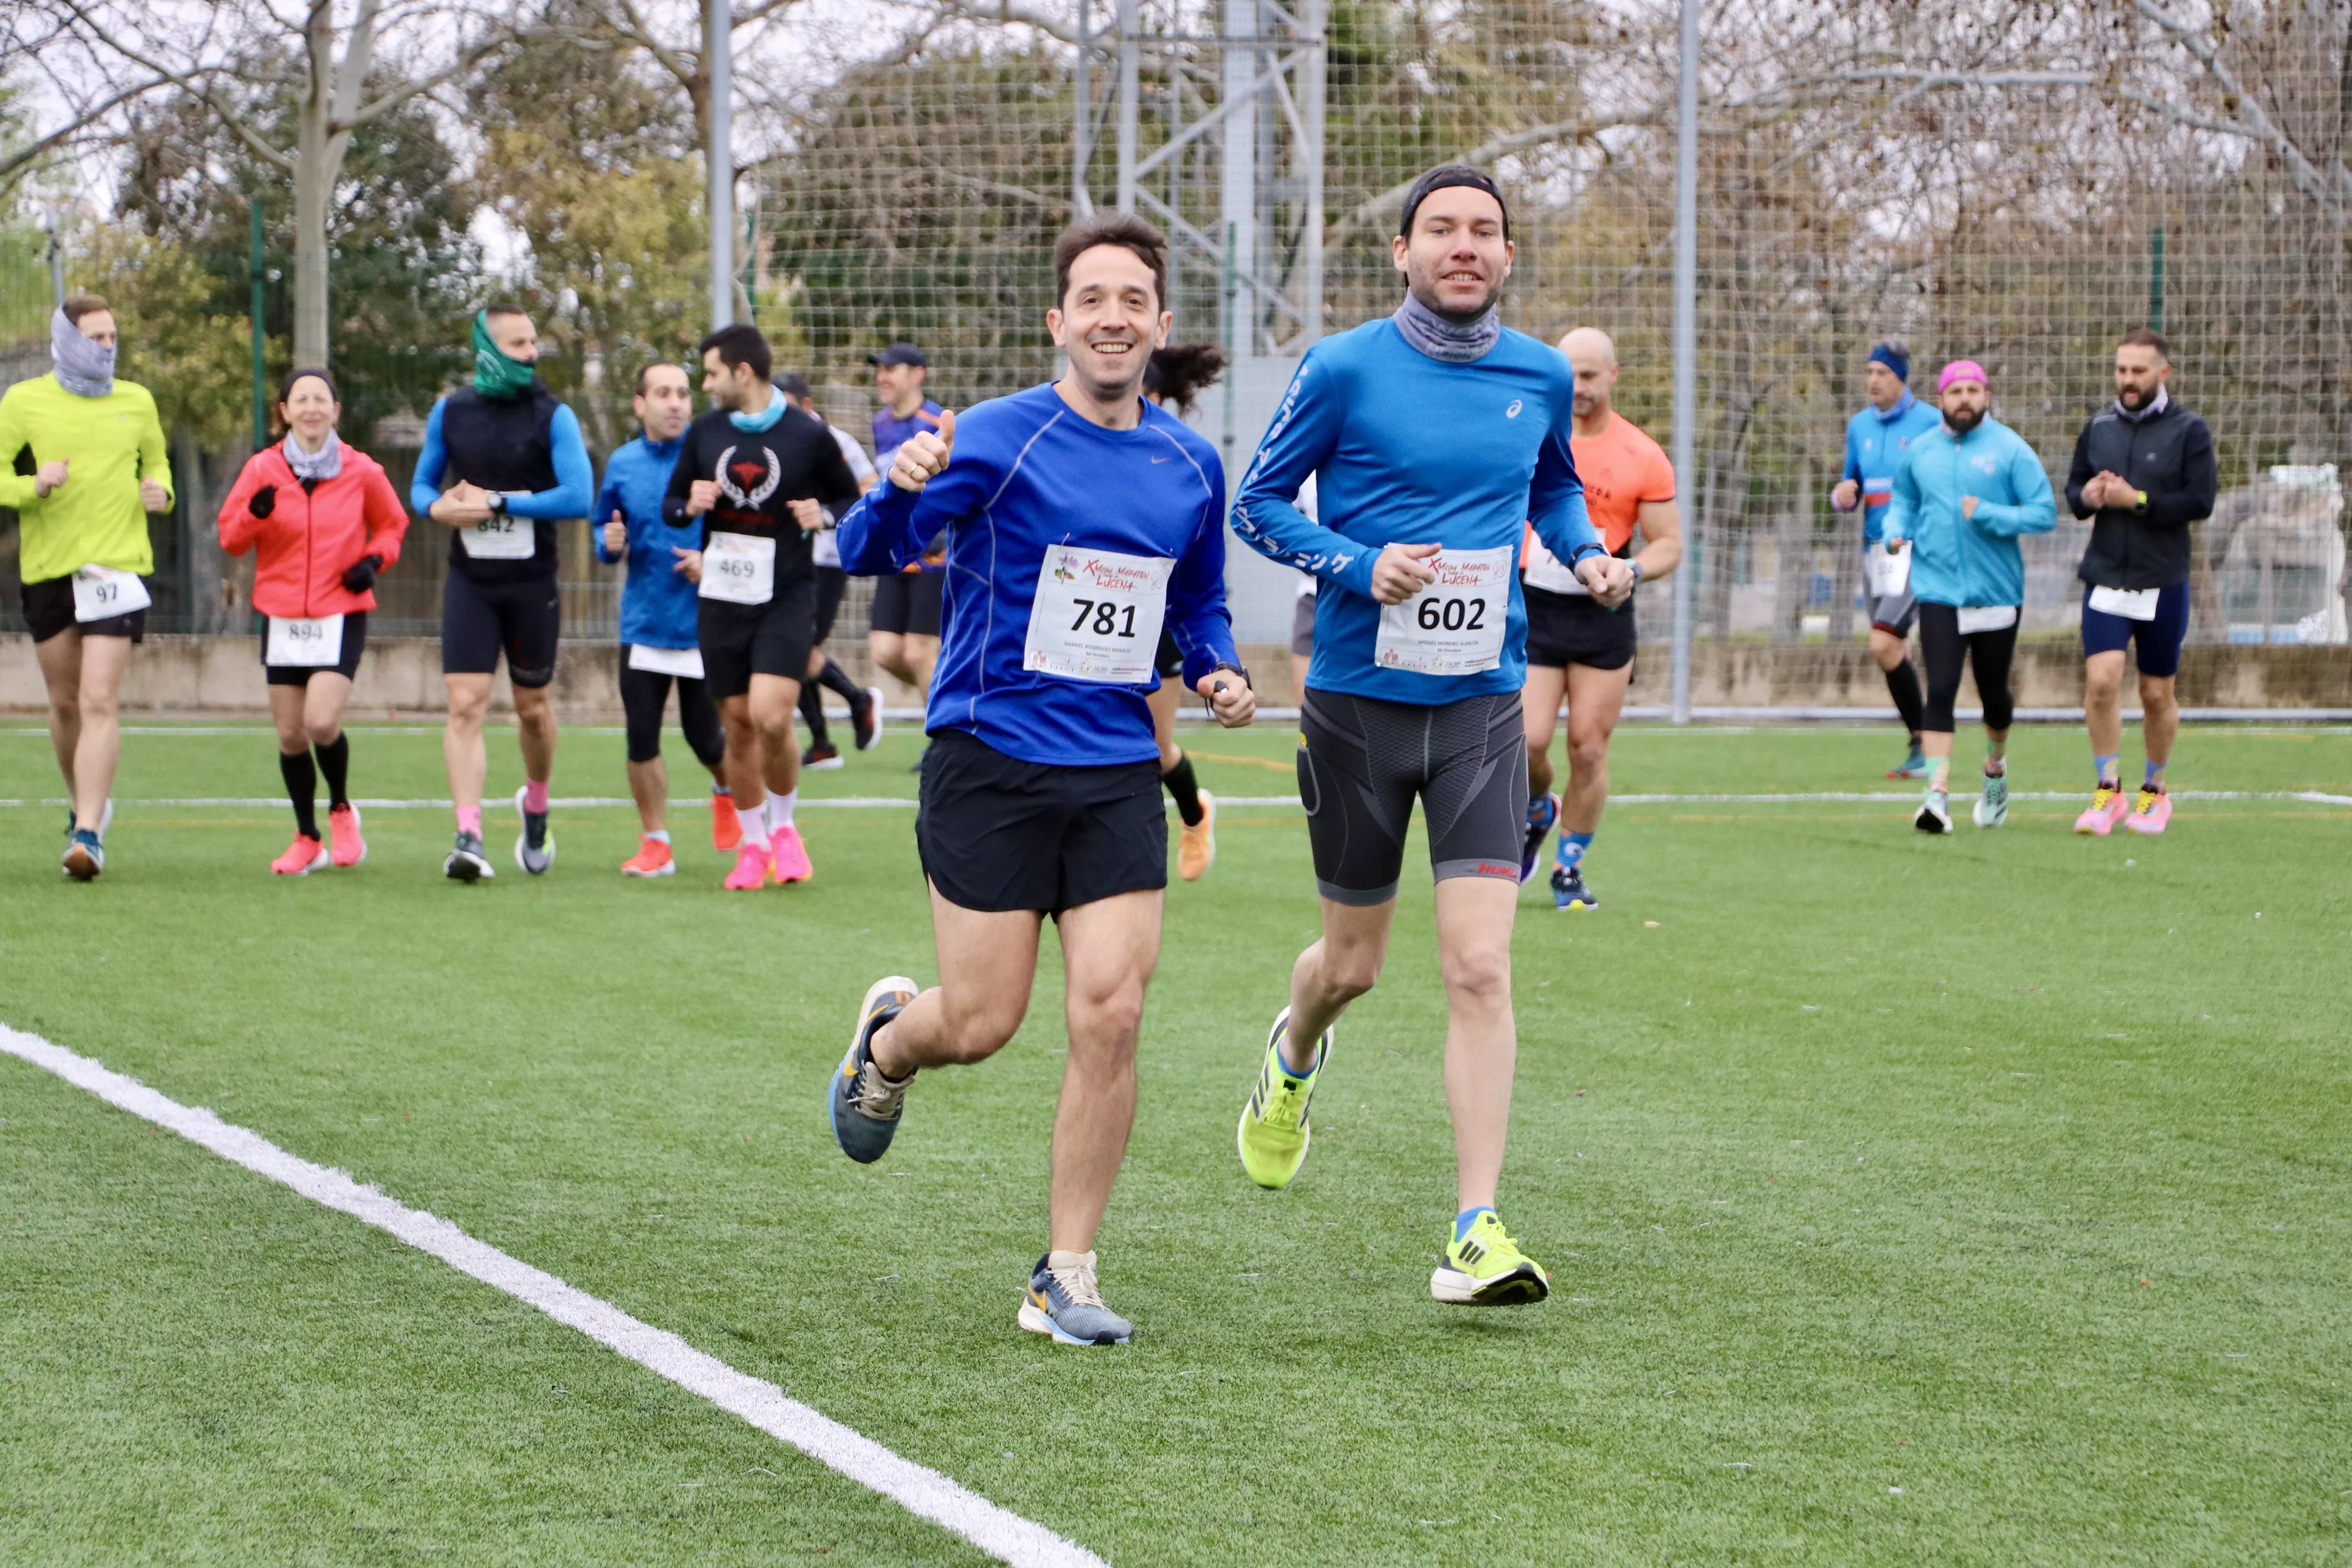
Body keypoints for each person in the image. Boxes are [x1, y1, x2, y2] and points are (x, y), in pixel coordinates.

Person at [829, 214, 1256, 1347]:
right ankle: (884, 1043)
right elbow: (862, 553)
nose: (1112, 318)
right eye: (1092, 299)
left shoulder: (1187, 464)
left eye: (1134, 301)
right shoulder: (995, 436)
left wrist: (1212, 670)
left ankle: (1064, 1274)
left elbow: (1195, 600)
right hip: (990, 759)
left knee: (1109, 1012)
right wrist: (895, 480)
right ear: (1056, 322)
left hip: (1115, 768)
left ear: (1159, 328)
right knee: (978, 1022)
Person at [1228, 165, 1632, 1306]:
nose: (1464, 246)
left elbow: (1549, 493)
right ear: (1401, 252)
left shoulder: (1540, 373)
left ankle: (1474, 1227)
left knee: (1478, 964)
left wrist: (1585, 549)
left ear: (1506, 258)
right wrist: (1359, 564)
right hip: (1356, 707)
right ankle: (1292, 1053)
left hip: (1479, 707)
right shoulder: (1345, 365)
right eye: (1440, 229)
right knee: (1348, 967)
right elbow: (1255, 505)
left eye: (1484, 232)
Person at [667, 325, 862, 890]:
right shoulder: (706, 432)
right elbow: (673, 504)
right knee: (737, 724)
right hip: (722, 596)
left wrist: (821, 516)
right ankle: (752, 845)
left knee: (772, 715)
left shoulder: (807, 434)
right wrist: (691, 503)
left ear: (742, 372)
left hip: (787, 595)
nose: (705, 385)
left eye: (711, 373)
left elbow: (851, 497)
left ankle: (784, 829)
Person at [411, 305, 594, 882]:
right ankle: (469, 834)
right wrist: (436, 506)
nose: (531, 352)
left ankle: (535, 803)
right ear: (485, 349)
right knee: (464, 704)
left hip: (531, 582)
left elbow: (578, 496)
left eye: (534, 341)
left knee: (532, 709)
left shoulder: (554, 415)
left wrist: (499, 501)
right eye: (517, 343)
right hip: (471, 582)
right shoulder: (452, 411)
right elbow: (421, 485)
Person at [0, 295, 173, 879]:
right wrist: (33, 485)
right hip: (49, 568)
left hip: (118, 568)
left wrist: (161, 493)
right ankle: (83, 801)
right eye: (97, 338)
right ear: (68, 341)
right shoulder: (24, 401)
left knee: (100, 698)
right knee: (67, 702)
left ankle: (89, 832)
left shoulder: (137, 401)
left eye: (112, 337)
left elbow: (159, 465)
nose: (108, 347)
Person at [217, 368, 409, 874]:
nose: (311, 407)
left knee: (321, 721)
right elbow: (231, 539)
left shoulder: (362, 470)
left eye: (320, 398)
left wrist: (373, 561)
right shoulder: (263, 468)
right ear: (284, 411)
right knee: (290, 736)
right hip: (281, 616)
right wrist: (255, 515)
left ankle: (342, 808)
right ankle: (306, 837)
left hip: (340, 612)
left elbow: (392, 525)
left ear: (335, 410)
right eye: (300, 399)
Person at [1517, 326, 1682, 912]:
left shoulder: (1642, 454)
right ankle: (1539, 808)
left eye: (1590, 375)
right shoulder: (1530, 435)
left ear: (1612, 375)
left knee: (1588, 747)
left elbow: (1668, 544)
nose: (1579, 387)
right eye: (1570, 375)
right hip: (1533, 605)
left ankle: (1568, 866)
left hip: (1602, 613)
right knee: (1528, 741)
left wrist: (1631, 573)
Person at [1880, 360, 2056, 834]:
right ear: (1941, 399)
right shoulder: (1920, 452)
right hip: (1937, 589)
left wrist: (1990, 515)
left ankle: (1995, 770)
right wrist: (1895, 531)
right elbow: (1903, 502)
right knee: (1940, 689)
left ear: (1987, 396)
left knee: (1994, 696)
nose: (1964, 398)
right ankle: (1936, 798)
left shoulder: (2010, 448)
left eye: (1973, 390)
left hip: (1997, 593)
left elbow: (2043, 513)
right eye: (1955, 390)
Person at [2064, 328, 2216, 837]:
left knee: (2155, 693)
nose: (2128, 380)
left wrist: (2141, 501)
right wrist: (2087, 496)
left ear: (2162, 373)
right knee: (2102, 682)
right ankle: (2108, 790)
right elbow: (2074, 491)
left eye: (2139, 371)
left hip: (2162, 579)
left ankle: (2155, 793)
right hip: (2106, 575)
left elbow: (2201, 502)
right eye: (2122, 370)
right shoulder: (2099, 425)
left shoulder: (2189, 430)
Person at [593, 361, 737, 876]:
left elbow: (749, 535)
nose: (676, 402)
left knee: (708, 740)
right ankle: (656, 842)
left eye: (682, 393)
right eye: (663, 393)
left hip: (702, 625)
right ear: (641, 404)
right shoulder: (623, 464)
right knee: (641, 736)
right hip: (643, 624)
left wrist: (713, 563)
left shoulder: (715, 459)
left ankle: (725, 789)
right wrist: (608, 545)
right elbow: (603, 527)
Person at [1831, 339, 1943, 779]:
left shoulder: (1931, 422)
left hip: (1918, 549)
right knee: (1891, 650)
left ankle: (1925, 739)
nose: (1873, 380)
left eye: (1883, 373)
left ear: (1901, 377)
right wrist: (1842, 497)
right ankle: (1923, 749)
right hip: (1876, 553)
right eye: (1870, 371)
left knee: (1882, 641)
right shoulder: (1859, 425)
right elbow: (1849, 487)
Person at [1141, 342, 1227, 879]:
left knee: (1154, 748)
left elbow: (1202, 578)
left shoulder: (1182, 460)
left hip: (1159, 617)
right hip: (1080, 624)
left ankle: (1195, 815)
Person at [776, 373, 883, 770]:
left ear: (806, 406)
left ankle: (858, 701)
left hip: (826, 560)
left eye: (786, 406)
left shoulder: (835, 442)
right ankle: (821, 743)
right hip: (787, 560)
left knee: (799, 649)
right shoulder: (774, 445)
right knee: (795, 648)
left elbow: (871, 490)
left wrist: (829, 517)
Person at [865, 342, 946, 707]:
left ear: (917, 375)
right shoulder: (880, 424)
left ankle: (941, 742)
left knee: (919, 652)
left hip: (935, 551)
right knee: (884, 650)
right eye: (879, 369)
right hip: (894, 549)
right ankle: (949, 693)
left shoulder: (937, 423)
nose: (882, 377)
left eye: (891, 369)